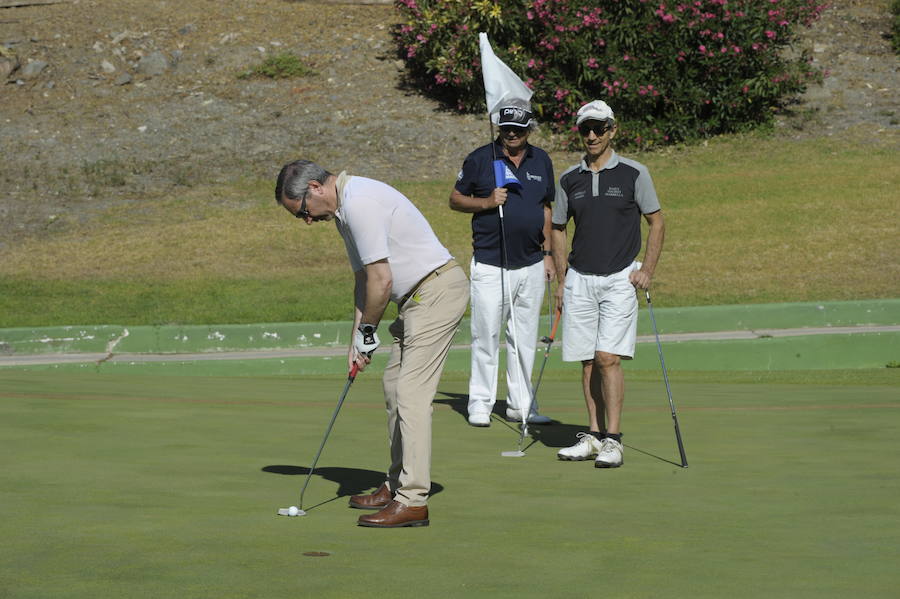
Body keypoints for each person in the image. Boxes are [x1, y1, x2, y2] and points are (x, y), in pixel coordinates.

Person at [275, 160, 469, 527]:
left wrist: (369, 333)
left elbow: (382, 280)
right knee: (394, 386)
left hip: (436, 290)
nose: (307, 220)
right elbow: (363, 281)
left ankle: (413, 500)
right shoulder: (344, 211)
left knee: (411, 393)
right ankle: (397, 483)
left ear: (315, 188)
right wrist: (356, 341)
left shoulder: (360, 202)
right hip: (416, 299)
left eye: (303, 211)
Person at [550, 100, 665, 468]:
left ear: (612, 130)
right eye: (586, 129)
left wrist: (646, 269)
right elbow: (557, 227)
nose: (592, 135)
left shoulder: (633, 173)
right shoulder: (569, 178)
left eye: (599, 128)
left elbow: (657, 222)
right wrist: (561, 275)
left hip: (618, 278)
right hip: (579, 279)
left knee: (607, 358)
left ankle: (613, 440)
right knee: (587, 361)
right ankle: (594, 436)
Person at [450, 101, 556, 427]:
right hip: (490, 263)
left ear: (528, 130)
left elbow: (546, 208)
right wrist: (486, 201)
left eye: (518, 129)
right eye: (507, 128)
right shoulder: (482, 158)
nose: (512, 134)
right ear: (499, 128)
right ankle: (480, 403)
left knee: (524, 338)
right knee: (486, 336)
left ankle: (521, 405)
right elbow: (455, 199)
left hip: (531, 262)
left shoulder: (542, 160)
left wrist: (549, 253)